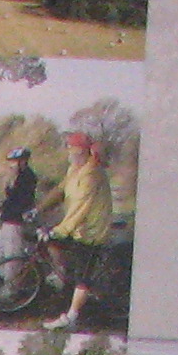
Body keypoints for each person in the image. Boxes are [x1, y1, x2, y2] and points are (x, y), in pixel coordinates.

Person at [42, 127, 112, 330]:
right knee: (52, 243)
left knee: (83, 275)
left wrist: (59, 230)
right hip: (78, 227)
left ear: (81, 151)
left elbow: (80, 209)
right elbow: (61, 190)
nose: (69, 153)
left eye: (71, 149)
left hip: (92, 231)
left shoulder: (91, 173)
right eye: (68, 148)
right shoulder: (75, 169)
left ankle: (71, 317)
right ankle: (63, 277)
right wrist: (39, 208)